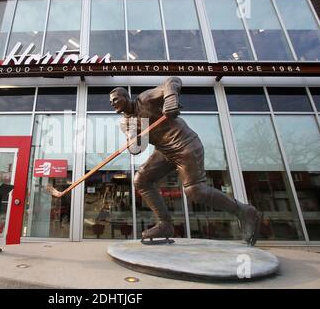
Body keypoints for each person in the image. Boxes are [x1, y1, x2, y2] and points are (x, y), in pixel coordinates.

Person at [109, 77, 260, 245]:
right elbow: (138, 149)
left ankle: (243, 211)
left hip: (185, 145)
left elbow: (172, 81)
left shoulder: (145, 99)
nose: (112, 103)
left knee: (195, 191)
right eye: (111, 102)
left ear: (126, 96)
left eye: (115, 99)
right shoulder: (126, 122)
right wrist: (134, 143)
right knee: (141, 180)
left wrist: (170, 98)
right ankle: (165, 224)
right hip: (165, 152)